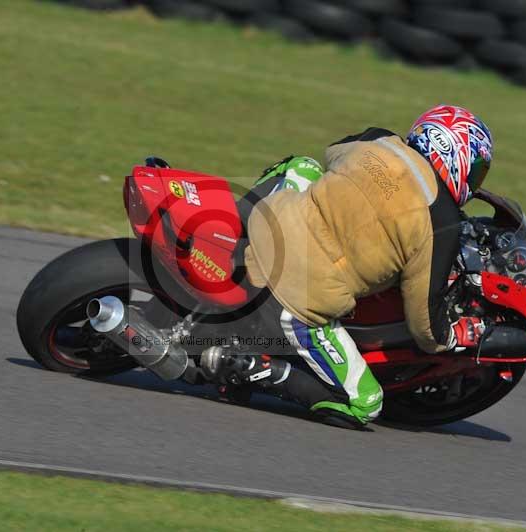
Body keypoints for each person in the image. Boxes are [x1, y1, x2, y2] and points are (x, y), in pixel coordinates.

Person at [200, 104, 494, 429]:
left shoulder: (380, 140)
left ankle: (227, 229)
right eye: (476, 170)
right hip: (294, 295)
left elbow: (331, 154)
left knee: (302, 166)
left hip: (267, 224)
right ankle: (249, 366)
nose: (475, 182)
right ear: (455, 156)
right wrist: (457, 333)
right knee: (366, 403)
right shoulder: (443, 222)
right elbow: (425, 327)